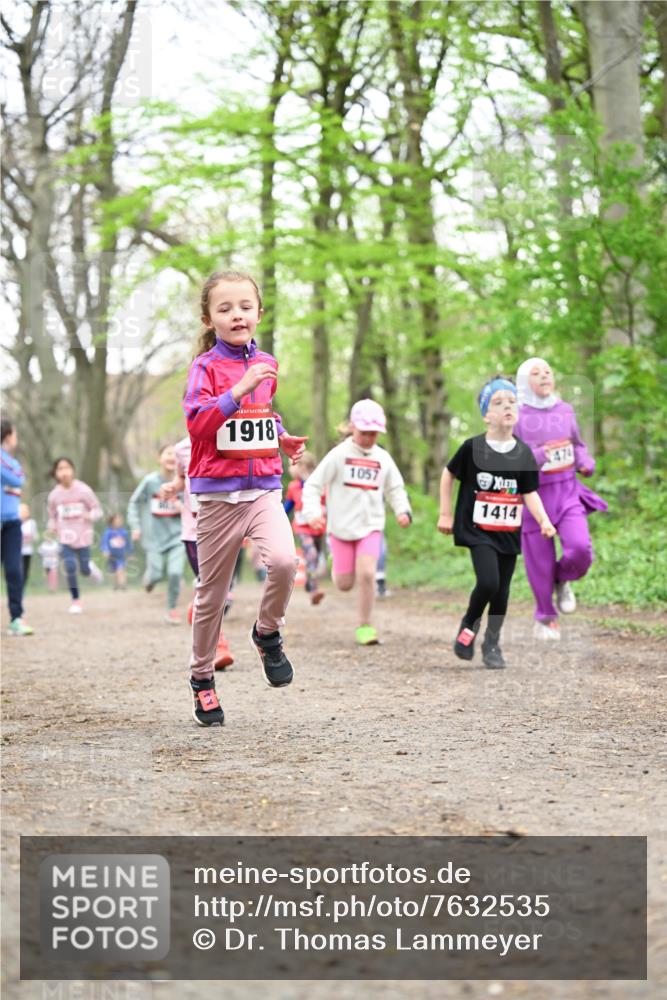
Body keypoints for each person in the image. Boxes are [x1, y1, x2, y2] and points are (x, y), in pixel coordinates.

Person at [184, 269, 306, 726]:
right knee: (213, 595)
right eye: (225, 308)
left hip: (263, 490)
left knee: (285, 562)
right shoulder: (205, 368)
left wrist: (282, 437)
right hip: (218, 497)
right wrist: (237, 390)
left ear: (259, 313)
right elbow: (198, 426)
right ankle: (201, 680)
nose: (237, 315)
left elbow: (260, 417)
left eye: (245, 307)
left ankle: (267, 632)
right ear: (209, 318)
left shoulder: (267, 364)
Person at [438, 378, 556, 669]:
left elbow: (530, 492)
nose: (507, 407)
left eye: (512, 401)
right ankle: (468, 625)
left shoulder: (523, 453)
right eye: (498, 402)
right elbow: (448, 474)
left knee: (502, 593)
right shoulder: (472, 448)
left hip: (507, 532)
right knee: (488, 582)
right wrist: (445, 513)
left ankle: (492, 644)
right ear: (485, 415)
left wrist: (543, 520)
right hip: (477, 530)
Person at [302, 399, 411, 646]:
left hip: (370, 527)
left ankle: (365, 625)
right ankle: (335, 562)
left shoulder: (383, 458)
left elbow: (395, 488)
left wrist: (402, 510)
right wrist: (313, 513)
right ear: (352, 427)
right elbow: (313, 486)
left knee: (368, 573)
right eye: (364, 433)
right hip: (340, 529)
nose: (369, 438)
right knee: (343, 584)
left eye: (374, 434)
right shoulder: (338, 455)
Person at [514, 357, 607, 641]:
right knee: (538, 561)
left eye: (547, 371)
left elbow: (576, 445)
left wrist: (585, 461)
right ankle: (545, 617)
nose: (544, 376)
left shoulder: (565, 410)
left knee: (580, 549)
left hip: (567, 492)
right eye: (536, 373)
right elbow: (512, 457)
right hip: (534, 497)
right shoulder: (517, 417)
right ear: (524, 382)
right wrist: (541, 454)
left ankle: (562, 578)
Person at [161, 436, 234, 668]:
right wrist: (173, 486)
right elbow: (181, 478)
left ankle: (197, 606)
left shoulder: (227, 438)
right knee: (210, 586)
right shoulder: (181, 448)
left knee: (218, 587)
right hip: (193, 529)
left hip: (223, 524)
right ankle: (218, 645)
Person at [127, 444, 185, 624]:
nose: (171, 458)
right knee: (156, 575)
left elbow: (195, 506)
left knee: (175, 573)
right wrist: (135, 526)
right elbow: (133, 503)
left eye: (174, 455)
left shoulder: (185, 481)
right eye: (167, 454)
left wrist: (181, 508)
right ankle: (150, 578)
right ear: (159, 458)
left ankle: (172, 609)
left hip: (177, 537)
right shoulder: (150, 481)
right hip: (153, 538)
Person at [47, 457, 104, 614]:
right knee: (70, 567)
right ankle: (76, 600)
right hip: (65, 538)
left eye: (67, 468)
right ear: (56, 473)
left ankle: (90, 568)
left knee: (84, 570)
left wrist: (90, 516)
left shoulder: (83, 490)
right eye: (60, 469)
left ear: (73, 470)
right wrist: (51, 527)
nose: (64, 472)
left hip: (83, 536)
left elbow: (98, 510)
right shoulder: (54, 495)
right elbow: (52, 516)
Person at [1, 419, 34, 635]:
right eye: (16, 434)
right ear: (9, 435)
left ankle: (16, 617)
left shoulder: (12, 462)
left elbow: (18, 480)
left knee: (14, 570)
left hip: (12, 524)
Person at [284, 451, 326, 605]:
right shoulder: (293, 487)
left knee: (316, 557)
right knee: (311, 554)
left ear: (302, 466)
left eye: (291, 466)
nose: (289, 470)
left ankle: (310, 580)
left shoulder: (320, 484)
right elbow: (287, 506)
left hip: (319, 527)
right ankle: (314, 591)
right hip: (302, 528)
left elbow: (328, 503)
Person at [100, 513, 132, 590]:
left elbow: (128, 543)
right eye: (117, 521)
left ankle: (123, 584)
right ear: (112, 522)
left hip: (120, 555)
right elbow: (104, 542)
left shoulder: (124, 532)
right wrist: (105, 550)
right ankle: (115, 584)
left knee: (120, 569)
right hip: (111, 556)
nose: (118, 523)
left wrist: (130, 553)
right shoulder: (108, 532)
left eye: (120, 521)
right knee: (113, 572)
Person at [20, 502, 38, 588]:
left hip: (27, 551)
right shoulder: (15, 523)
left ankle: (21, 590)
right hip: (16, 552)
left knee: (25, 572)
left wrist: (27, 540)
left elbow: (35, 537)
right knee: (17, 571)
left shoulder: (31, 523)